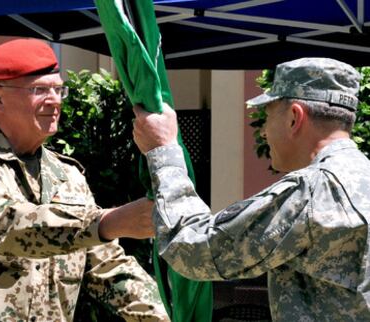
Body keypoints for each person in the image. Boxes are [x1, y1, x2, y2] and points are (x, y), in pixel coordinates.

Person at [132, 57, 370, 321]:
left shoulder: (313, 191)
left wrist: (163, 151)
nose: (264, 132)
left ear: (294, 117)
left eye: (266, 115)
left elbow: (192, 250)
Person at [0, 38, 169, 322]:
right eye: (39, 90)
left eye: (58, 89)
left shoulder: (67, 175)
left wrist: (165, 316)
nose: (54, 100)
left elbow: (107, 267)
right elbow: (4, 225)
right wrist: (107, 222)